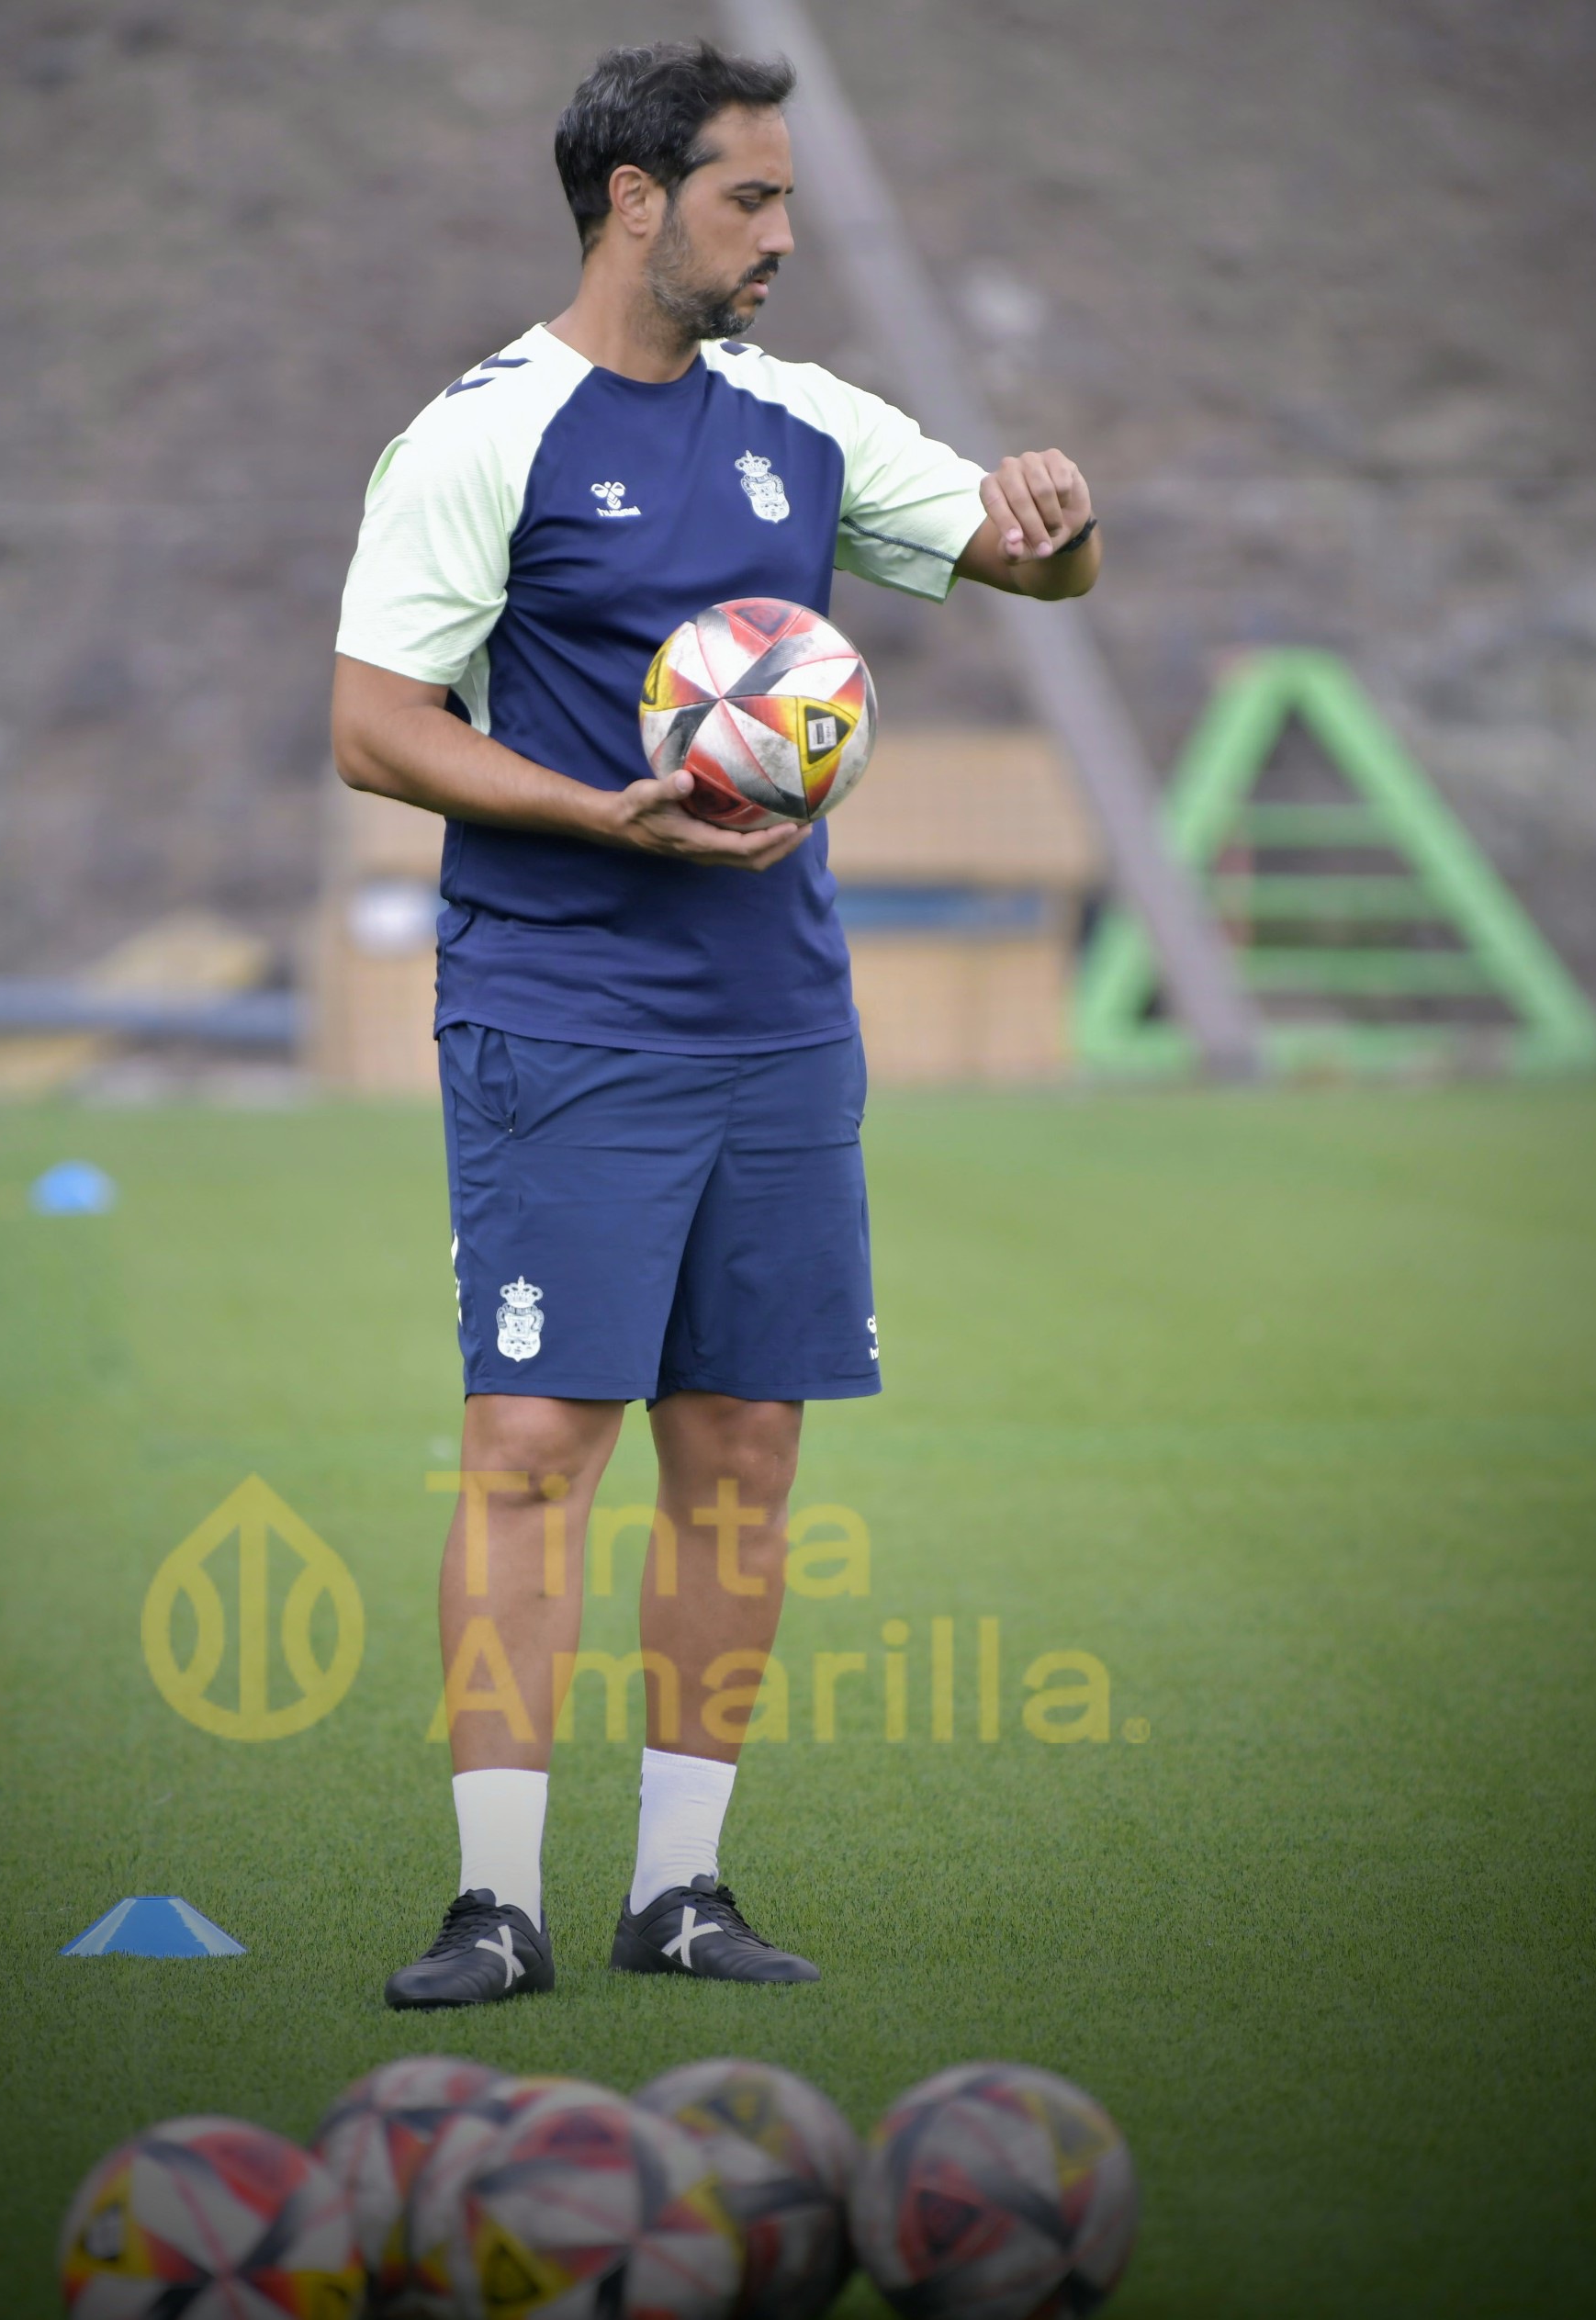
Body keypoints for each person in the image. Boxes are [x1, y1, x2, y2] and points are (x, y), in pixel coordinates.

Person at [330, 39, 1103, 2010]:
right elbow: (374, 725)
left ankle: (679, 1889)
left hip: (775, 1022)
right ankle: (493, 1904)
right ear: (635, 201)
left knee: (744, 1448)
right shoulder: (483, 436)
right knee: (532, 1444)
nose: (782, 236)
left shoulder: (804, 422)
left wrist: (1060, 514)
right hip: (562, 1010)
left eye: (786, 200)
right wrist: (598, 812)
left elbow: (1034, 564)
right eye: (751, 198)